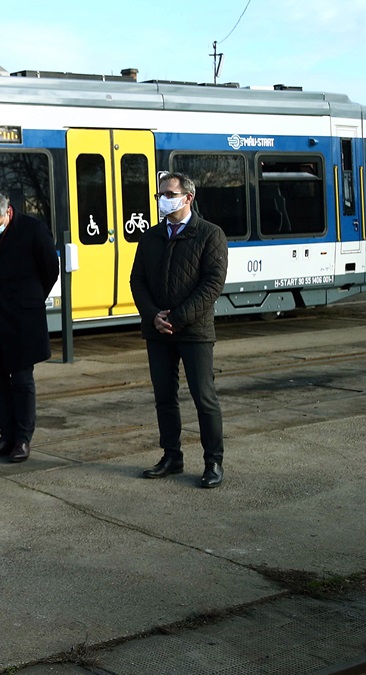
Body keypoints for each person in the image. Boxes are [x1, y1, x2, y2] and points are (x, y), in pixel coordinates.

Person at [130, 171, 229, 488]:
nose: (163, 199)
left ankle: (213, 462)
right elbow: (137, 281)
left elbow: (212, 284)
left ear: (188, 197)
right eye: (160, 194)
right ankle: (171, 456)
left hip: (195, 331)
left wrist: (178, 317)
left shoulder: (210, 235)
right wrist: (152, 315)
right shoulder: (151, 237)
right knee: (164, 397)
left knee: (204, 397)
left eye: (169, 193)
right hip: (157, 330)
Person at [0, 192, 59, 463]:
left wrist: (29, 297)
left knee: (22, 379)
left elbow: (50, 268)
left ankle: (23, 439)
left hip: (22, 317)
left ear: (8, 213)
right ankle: (6, 436)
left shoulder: (33, 229)